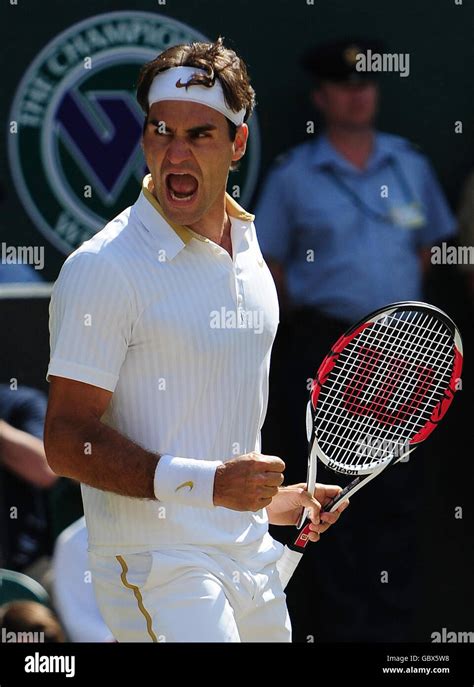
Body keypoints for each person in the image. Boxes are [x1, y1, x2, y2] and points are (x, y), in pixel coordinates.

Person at [44, 38, 348, 643]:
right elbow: (64, 440)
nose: (176, 154)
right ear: (144, 137)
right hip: (158, 570)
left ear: (237, 143)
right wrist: (212, 484)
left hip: (249, 559)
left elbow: (202, 434)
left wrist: (266, 502)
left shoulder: (249, 252)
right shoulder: (103, 267)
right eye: (162, 131)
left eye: (200, 135)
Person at [255, 37, 456, 641]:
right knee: (328, 499)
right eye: (343, 85)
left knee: (398, 497)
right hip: (328, 351)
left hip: (406, 351)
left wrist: (395, 333)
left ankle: (395, 636)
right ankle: (339, 632)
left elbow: (426, 251)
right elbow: (272, 265)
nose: (357, 94)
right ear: (321, 96)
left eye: (366, 83)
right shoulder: (295, 175)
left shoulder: (410, 163)